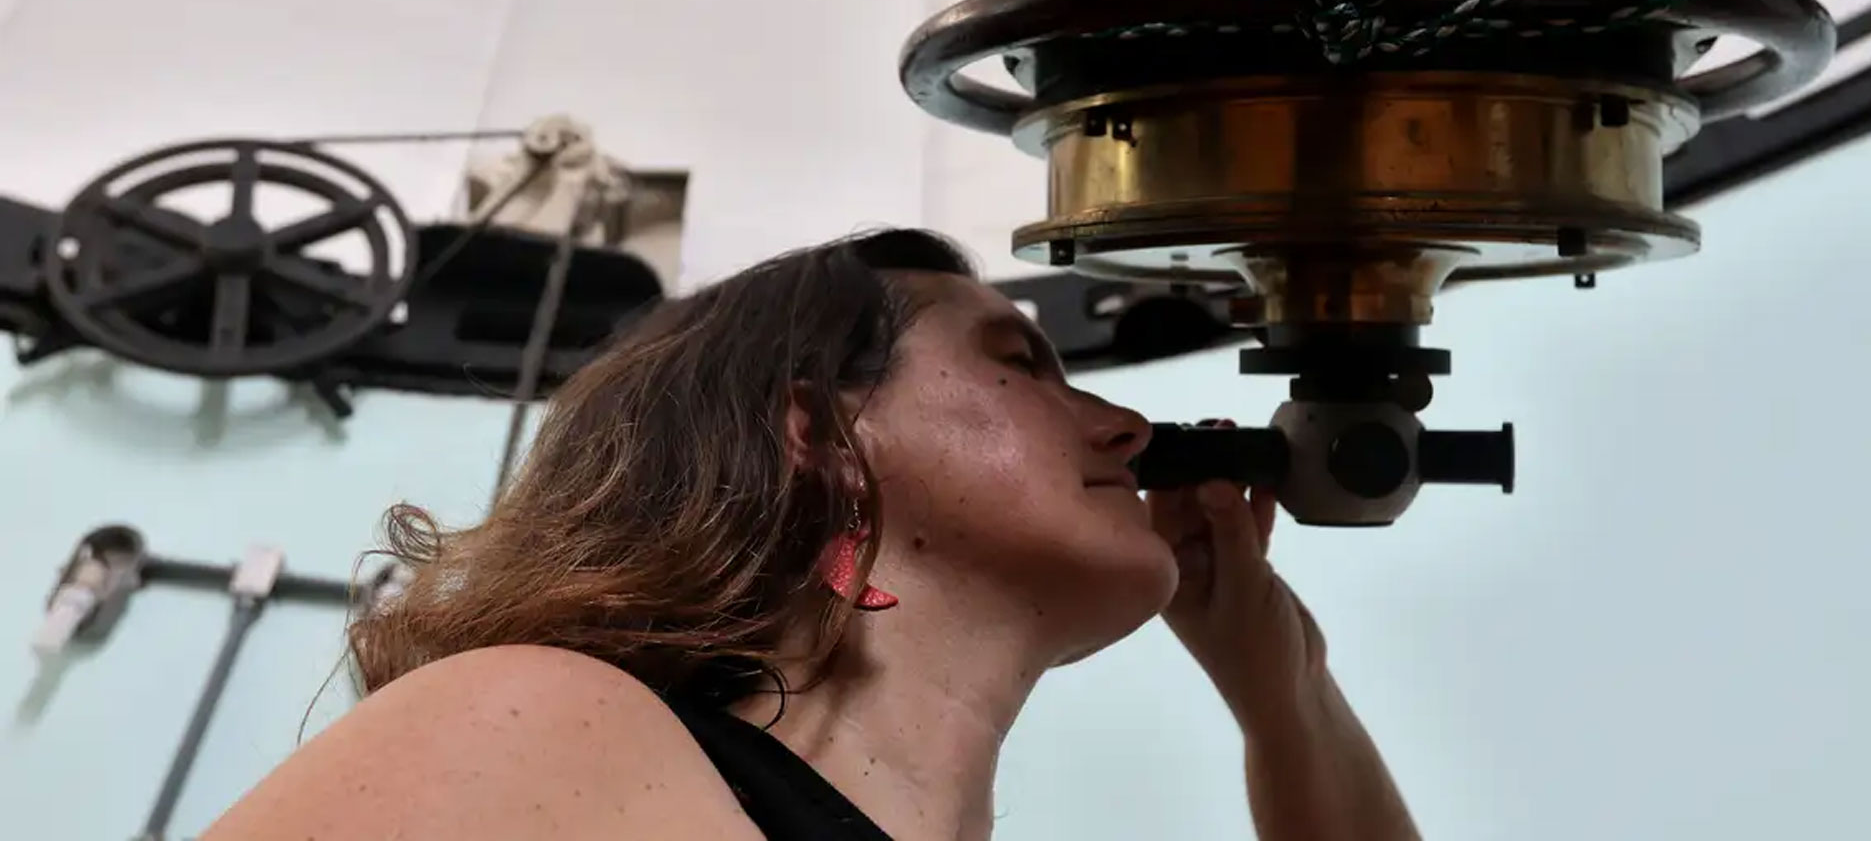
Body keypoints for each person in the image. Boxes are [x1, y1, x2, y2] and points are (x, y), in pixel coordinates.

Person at [203, 229, 1417, 841]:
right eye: (1022, 364)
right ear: (820, 432)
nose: (1129, 426)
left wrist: (1287, 696)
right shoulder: (537, 723)